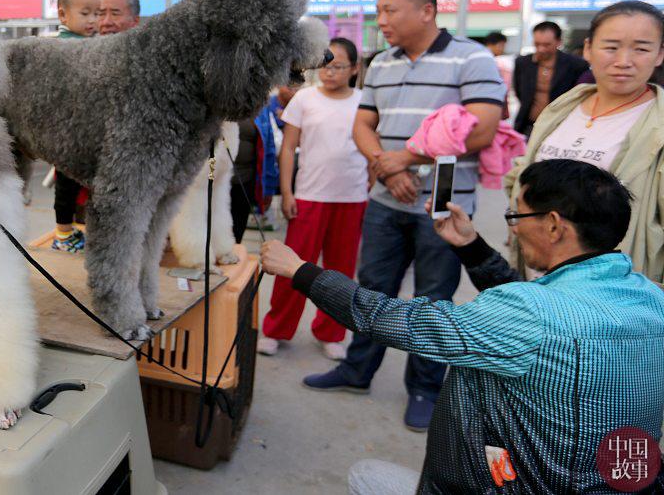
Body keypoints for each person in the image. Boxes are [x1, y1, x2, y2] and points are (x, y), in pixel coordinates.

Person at [262, 159, 664, 493]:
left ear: (555, 225)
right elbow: (543, 312)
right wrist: (471, 247)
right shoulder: (650, 297)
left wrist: (301, 271)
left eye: (516, 214)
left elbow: (398, 320)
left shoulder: (528, 315)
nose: (513, 227)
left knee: (365, 477)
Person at [308, 0, 504, 432]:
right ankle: (357, 371)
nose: (382, 21)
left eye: (390, 11)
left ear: (427, 11)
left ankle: (425, 388)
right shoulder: (381, 64)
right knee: (373, 288)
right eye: (379, 11)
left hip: (445, 206)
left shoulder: (471, 57)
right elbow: (363, 125)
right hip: (383, 198)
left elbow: (481, 130)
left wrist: (409, 158)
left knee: (433, 299)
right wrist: (389, 166)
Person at [505, 0, 664, 282]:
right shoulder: (562, 107)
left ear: (660, 54)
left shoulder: (657, 124)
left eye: (641, 48)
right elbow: (524, 173)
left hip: (612, 299)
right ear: (588, 48)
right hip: (538, 281)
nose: (623, 61)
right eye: (611, 47)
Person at [258, 38, 368, 360]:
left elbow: (372, 146)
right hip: (310, 195)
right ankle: (276, 329)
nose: (329, 72)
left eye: (338, 66)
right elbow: (288, 149)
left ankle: (331, 331)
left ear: (355, 68)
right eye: (326, 65)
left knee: (341, 270)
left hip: (352, 196)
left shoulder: (364, 102)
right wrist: (288, 193)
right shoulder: (304, 98)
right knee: (292, 267)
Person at [51, 0, 100, 252]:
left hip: (87, 131)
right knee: (66, 185)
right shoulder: (64, 47)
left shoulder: (89, 44)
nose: (93, 21)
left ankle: (77, 232)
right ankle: (62, 234)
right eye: (85, 14)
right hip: (66, 132)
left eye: (96, 13)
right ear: (63, 14)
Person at [512, 21, 588, 137]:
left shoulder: (576, 65)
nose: (541, 49)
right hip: (528, 125)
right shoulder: (523, 63)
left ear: (558, 42)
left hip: (561, 126)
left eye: (547, 44)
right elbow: (519, 91)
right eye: (537, 44)